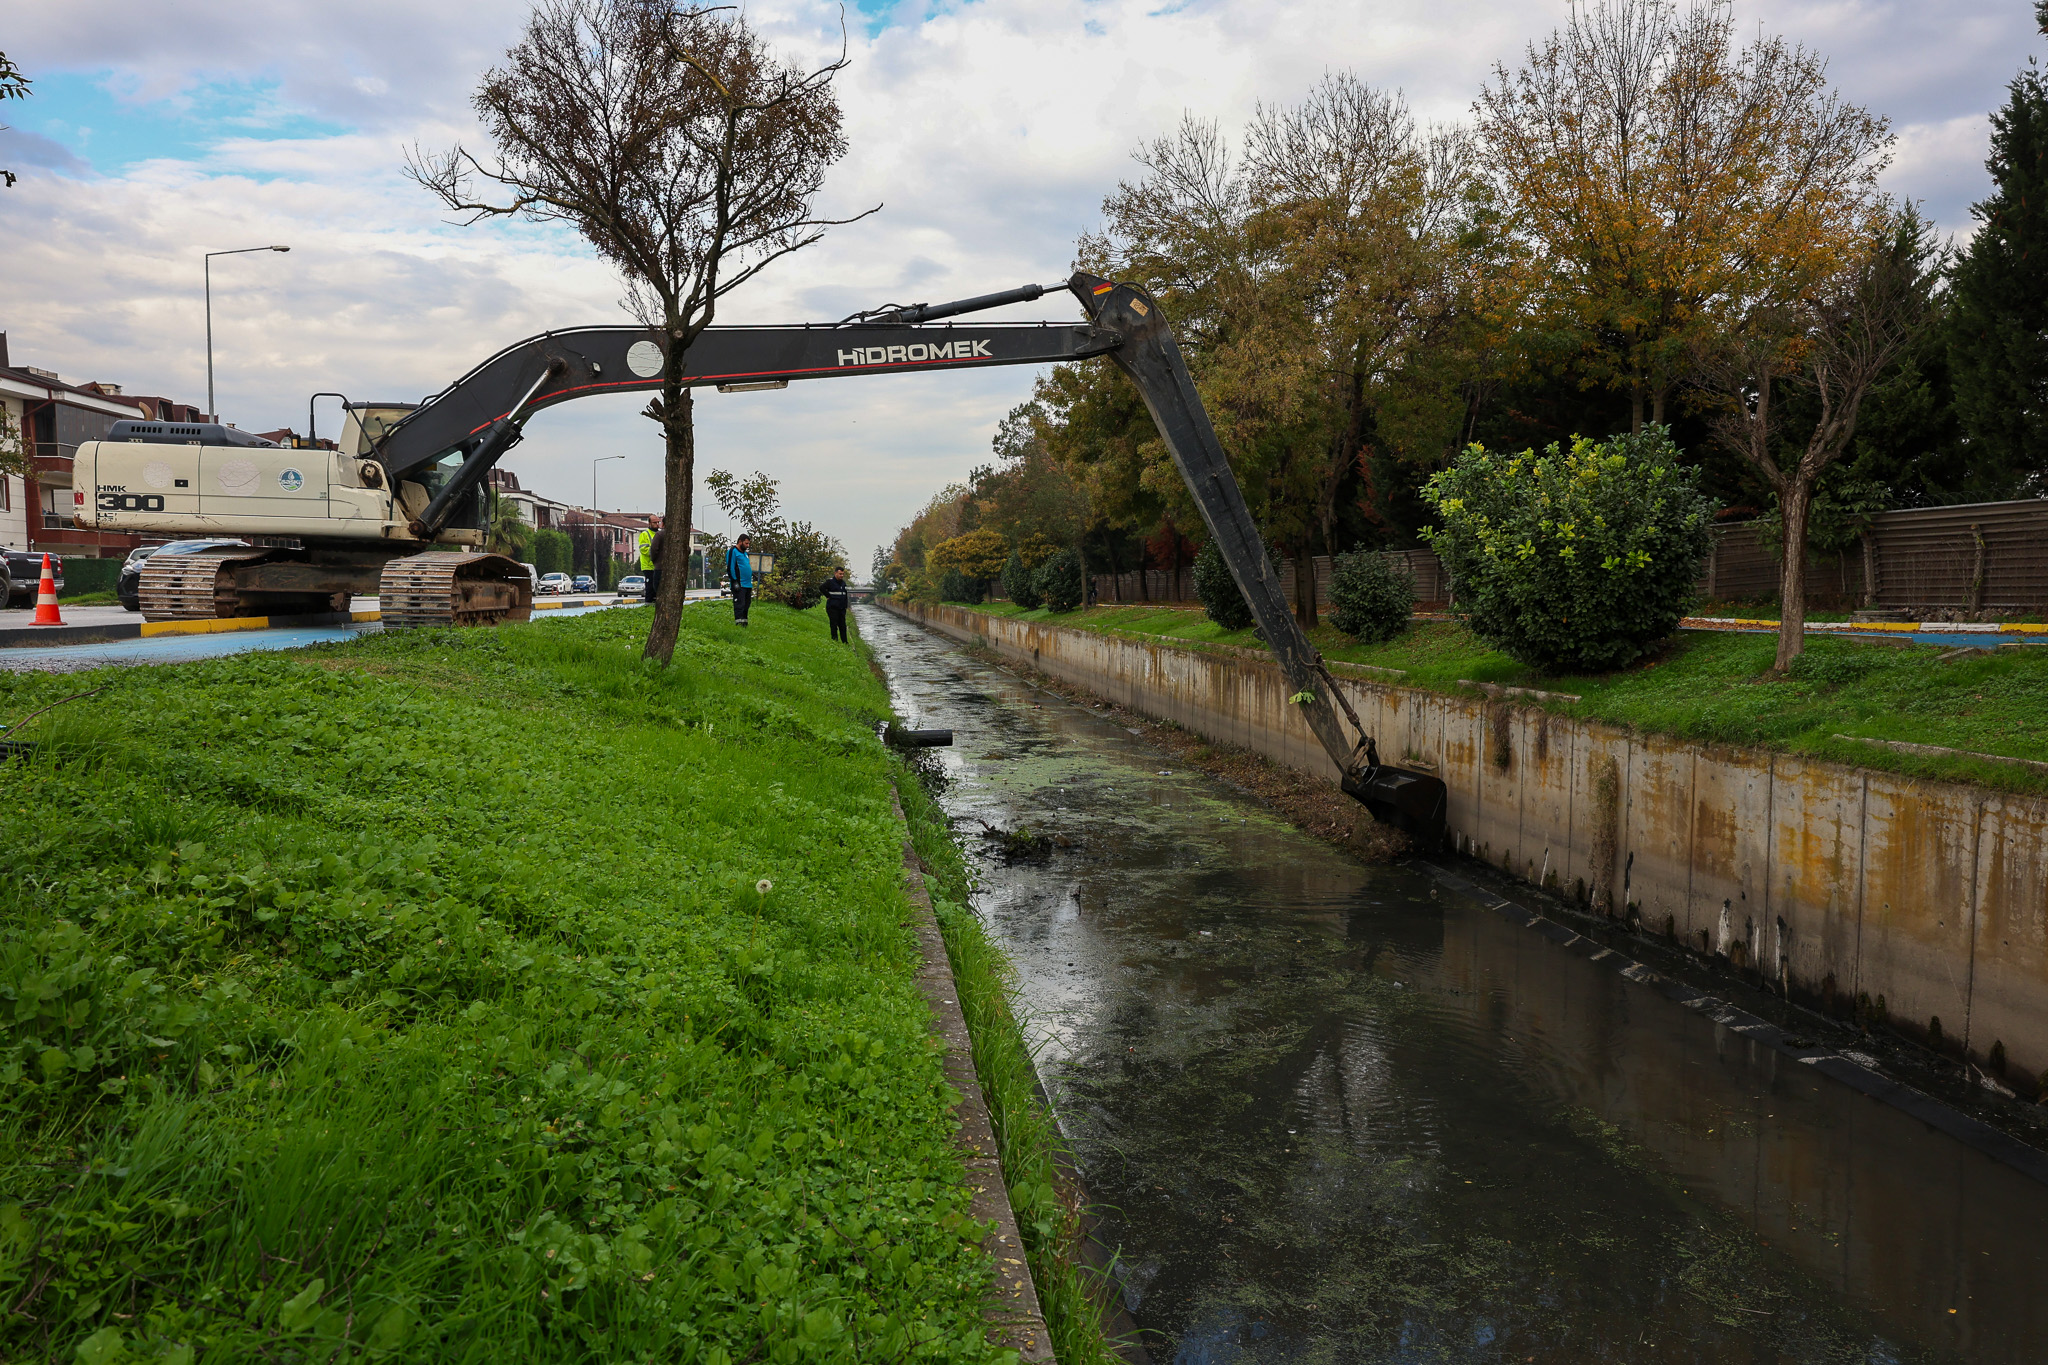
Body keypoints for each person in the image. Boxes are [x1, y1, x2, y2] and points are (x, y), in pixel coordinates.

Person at [725, 534, 753, 625]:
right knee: (739, 605)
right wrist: (734, 581)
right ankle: (739, 623)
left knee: (746, 605)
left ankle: (744, 623)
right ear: (740, 542)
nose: (748, 546)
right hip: (739, 584)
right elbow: (730, 567)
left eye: (748, 544)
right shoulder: (733, 551)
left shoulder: (745, 554)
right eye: (746, 543)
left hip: (747, 584)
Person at [822, 564, 851, 642]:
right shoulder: (830, 582)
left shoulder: (843, 583)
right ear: (835, 573)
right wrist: (828, 595)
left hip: (841, 608)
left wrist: (845, 606)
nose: (842, 575)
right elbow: (821, 588)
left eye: (843, 574)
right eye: (840, 574)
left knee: (843, 626)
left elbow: (844, 594)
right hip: (832, 607)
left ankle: (845, 642)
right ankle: (835, 641)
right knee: (834, 625)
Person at [637, 515, 663, 606]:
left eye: (658, 522)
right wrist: (656, 552)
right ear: (649, 523)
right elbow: (643, 549)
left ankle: (655, 603)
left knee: (657, 586)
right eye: (655, 522)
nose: (657, 524)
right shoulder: (645, 534)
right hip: (648, 566)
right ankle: (648, 603)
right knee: (650, 586)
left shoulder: (659, 534)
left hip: (657, 565)